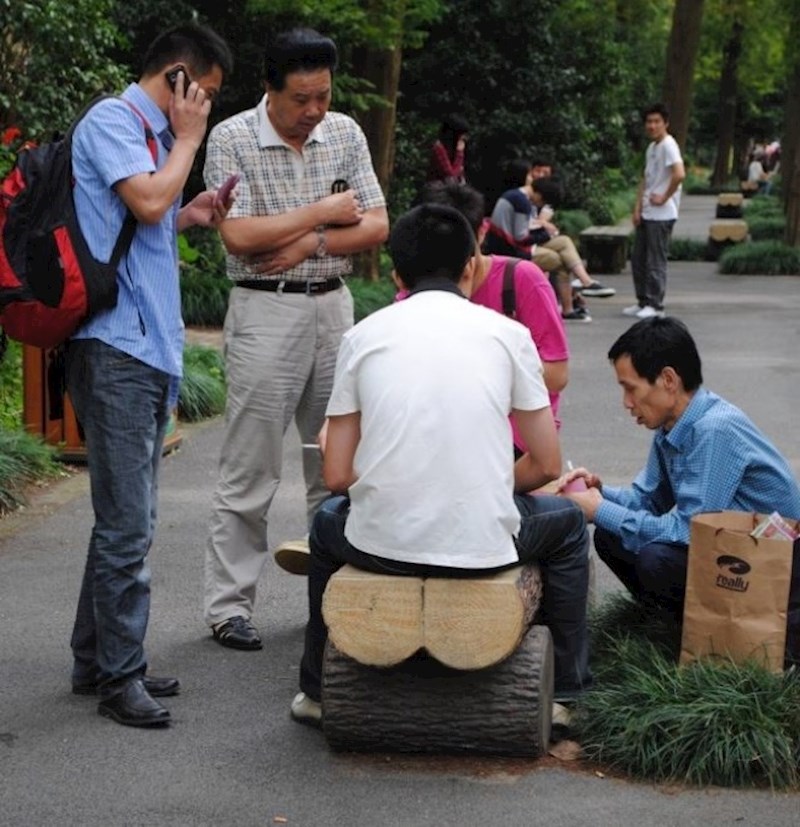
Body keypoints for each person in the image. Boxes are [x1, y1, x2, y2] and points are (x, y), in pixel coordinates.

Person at [290, 203, 591, 725]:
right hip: (485, 551)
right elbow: (546, 463)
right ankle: (567, 695)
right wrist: (492, 488)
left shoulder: (363, 336)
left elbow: (336, 475)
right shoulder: (508, 336)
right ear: (472, 265)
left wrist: (395, 485)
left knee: (324, 524)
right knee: (567, 530)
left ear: (396, 275)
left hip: (379, 548)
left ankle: (316, 691)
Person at [65, 24, 234, 728]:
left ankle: (96, 658)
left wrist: (191, 212)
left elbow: (150, 217)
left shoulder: (149, 138)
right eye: (206, 95)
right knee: (129, 525)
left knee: (123, 519)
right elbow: (145, 203)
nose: (207, 110)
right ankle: (119, 677)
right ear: (178, 79)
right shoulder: (113, 120)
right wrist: (188, 147)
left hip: (142, 350)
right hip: (116, 350)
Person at [202, 28, 389, 650]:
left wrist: (309, 240)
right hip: (263, 313)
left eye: (323, 96)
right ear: (271, 90)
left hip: (334, 308)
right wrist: (324, 214)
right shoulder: (231, 138)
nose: (315, 111)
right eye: (302, 98)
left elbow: (379, 224)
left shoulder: (345, 132)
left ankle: (334, 598)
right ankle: (229, 608)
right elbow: (241, 237)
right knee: (249, 467)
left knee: (336, 463)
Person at [558, 316, 800, 657]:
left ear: (668, 380)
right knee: (611, 535)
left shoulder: (714, 430)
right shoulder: (671, 428)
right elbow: (647, 499)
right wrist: (600, 492)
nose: (626, 402)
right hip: (735, 550)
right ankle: (686, 626)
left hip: (780, 565)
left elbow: (688, 532)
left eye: (630, 388)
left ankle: (712, 634)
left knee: (655, 559)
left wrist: (598, 510)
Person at [419, 180, 570, 438]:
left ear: (482, 231)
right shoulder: (417, 286)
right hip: (442, 430)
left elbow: (556, 375)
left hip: (514, 435)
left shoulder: (523, 279)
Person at [483, 160, 613, 323]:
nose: (540, 205)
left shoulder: (517, 195)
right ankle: (565, 307)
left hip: (518, 244)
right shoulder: (521, 202)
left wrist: (544, 231)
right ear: (539, 195)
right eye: (542, 202)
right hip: (512, 250)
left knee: (564, 241)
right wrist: (546, 235)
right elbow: (521, 237)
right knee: (559, 261)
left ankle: (585, 281)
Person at [625, 103, 685, 320]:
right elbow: (646, 179)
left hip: (662, 214)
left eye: (657, 121)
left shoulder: (669, 145)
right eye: (649, 122)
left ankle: (655, 304)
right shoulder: (652, 148)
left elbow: (679, 174)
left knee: (655, 260)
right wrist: (637, 207)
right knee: (638, 258)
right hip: (648, 212)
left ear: (665, 123)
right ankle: (643, 301)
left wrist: (665, 197)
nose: (652, 126)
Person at [427, 114, 469, 184]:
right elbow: (450, 175)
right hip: (437, 188)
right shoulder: (439, 148)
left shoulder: (453, 148)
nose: (464, 138)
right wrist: (459, 153)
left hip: (450, 187)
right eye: (462, 134)